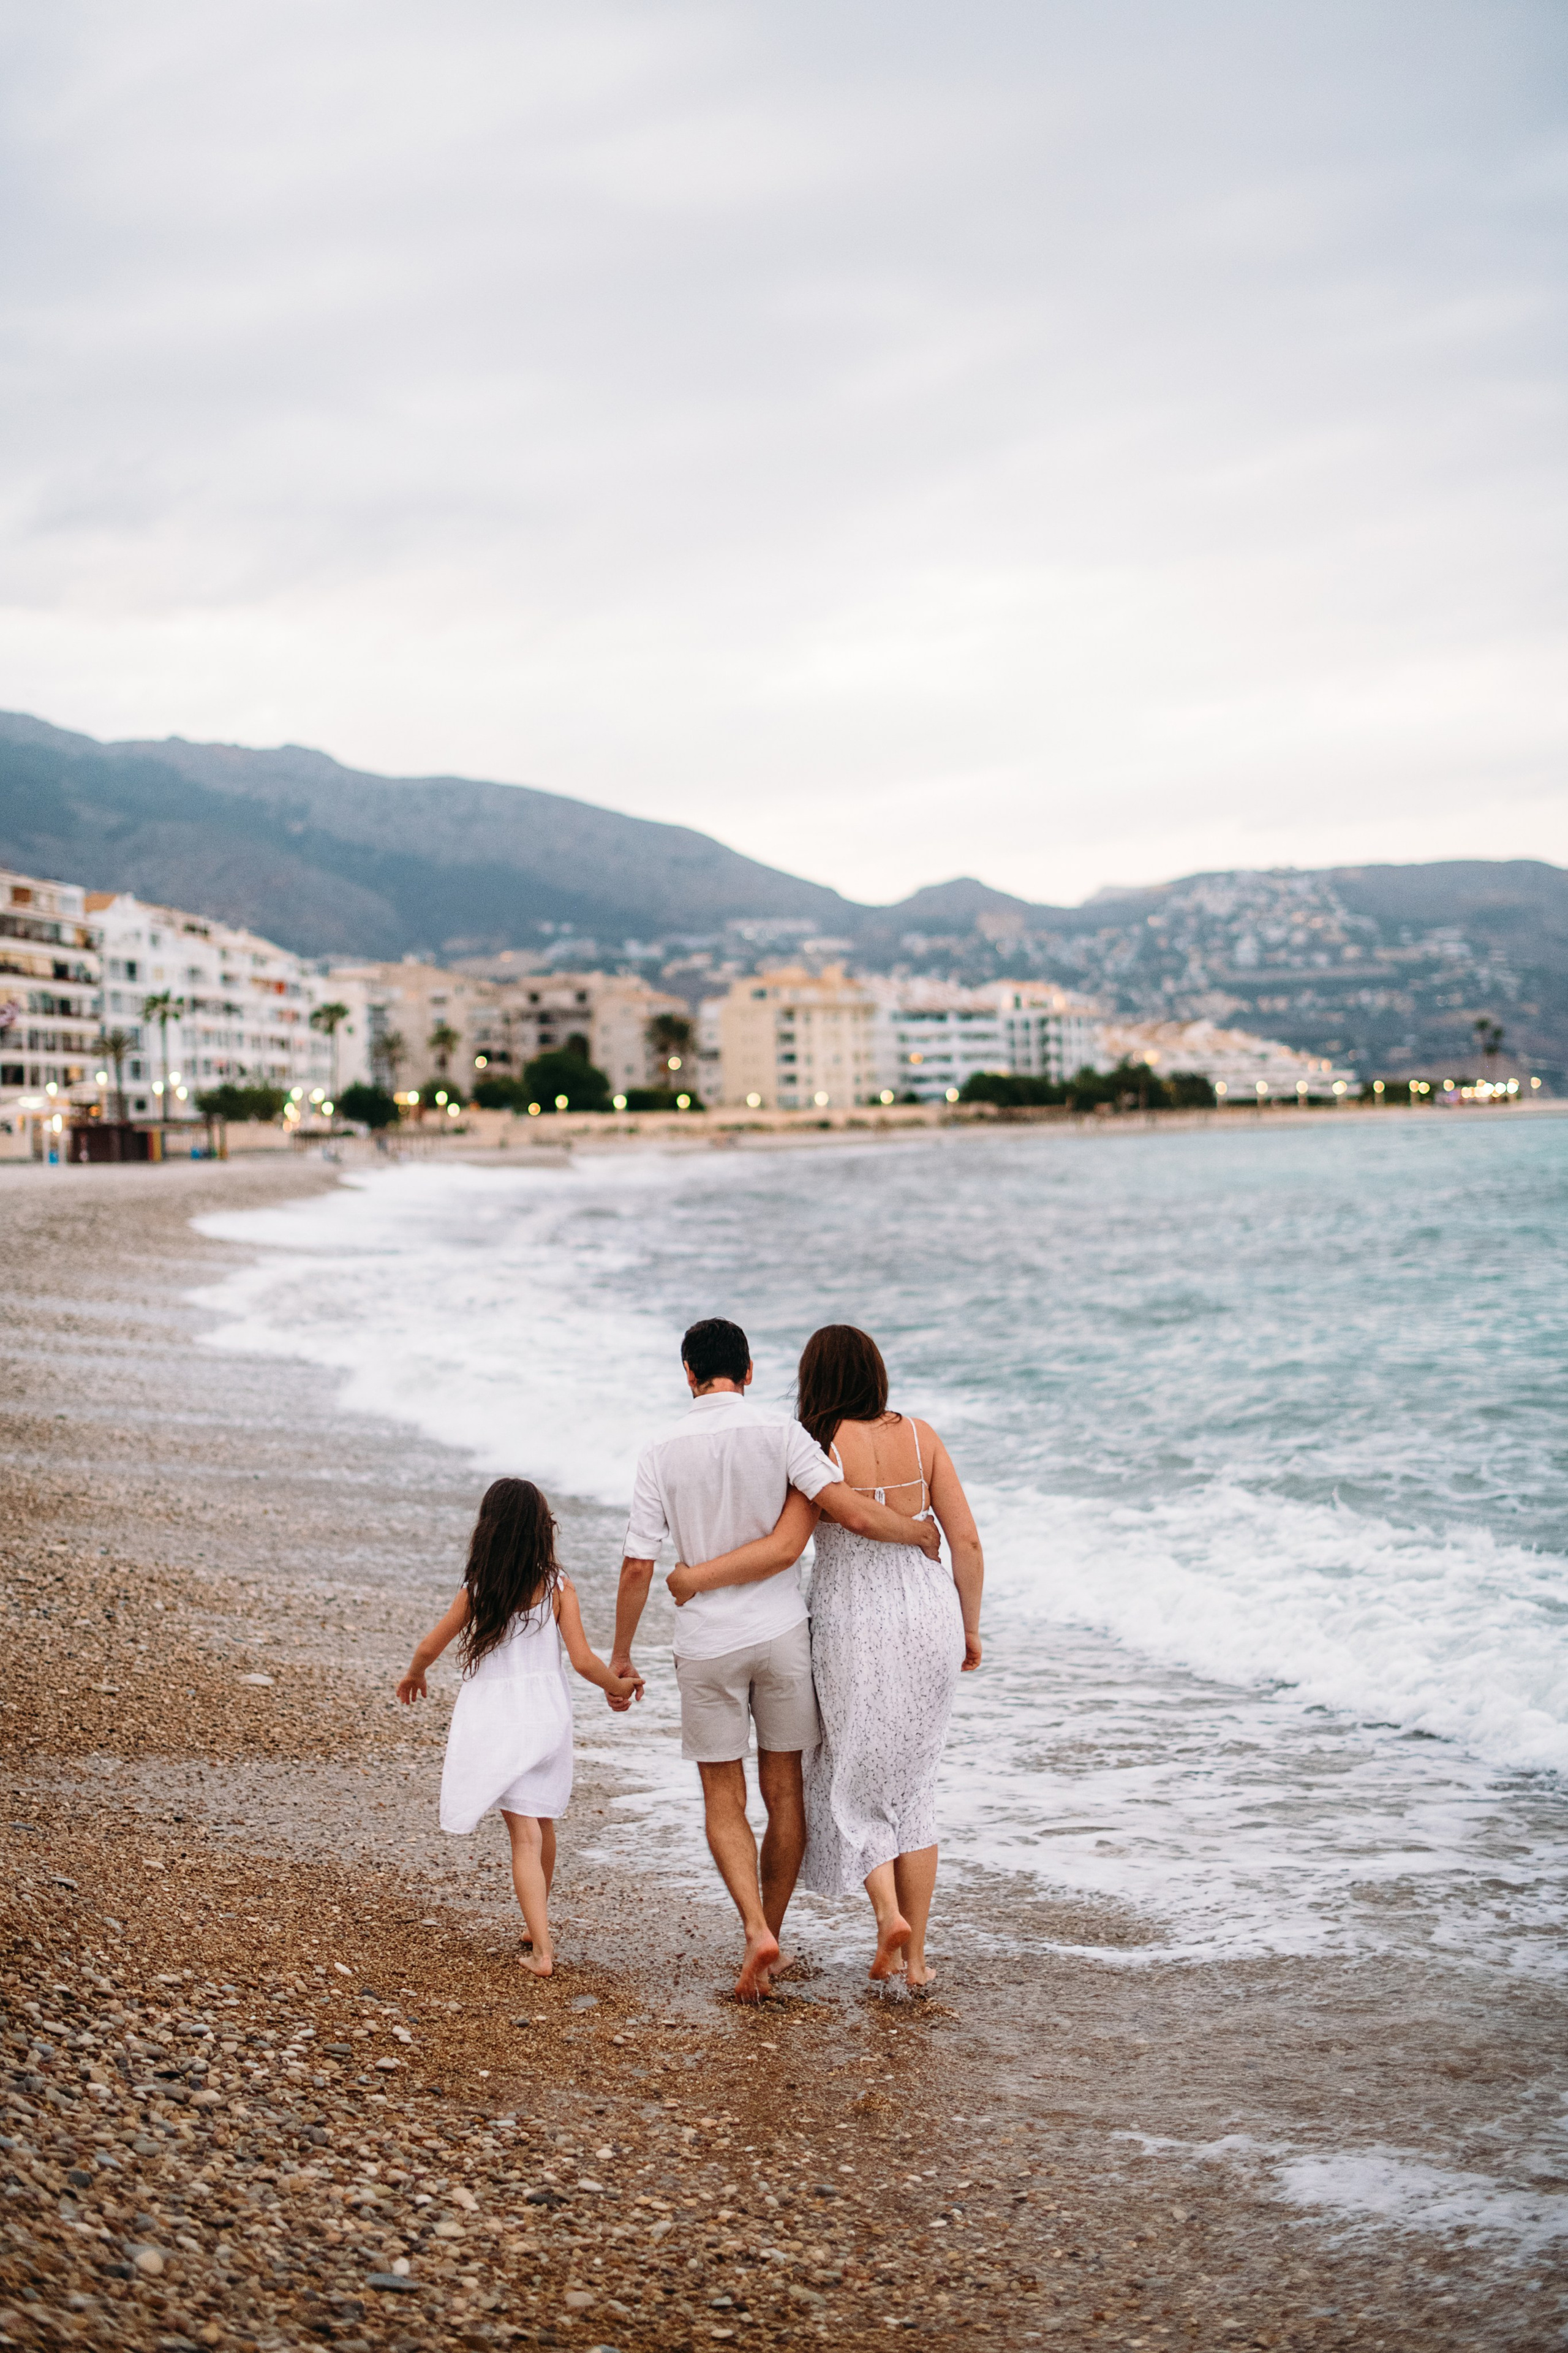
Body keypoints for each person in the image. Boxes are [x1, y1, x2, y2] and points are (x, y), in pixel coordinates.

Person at [610, 1316, 943, 2002]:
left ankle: (757, 1929)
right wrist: (916, 1531)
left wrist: (620, 1655)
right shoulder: (784, 1434)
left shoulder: (658, 1449)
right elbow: (847, 1508)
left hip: (706, 1644)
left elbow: (638, 1565)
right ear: (751, 1370)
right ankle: (774, 1933)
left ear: (687, 1372)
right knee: (785, 1792)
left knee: (723, 1798)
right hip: (783, 1633)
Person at [397, 1476, 643, 1976]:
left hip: (497, 1719)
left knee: (525, 1835)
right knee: (542, 1818)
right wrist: (616, 1686)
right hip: (547, 1714)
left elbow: (431, 1644)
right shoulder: (557, 1586)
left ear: (488, 1530)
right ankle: (536, 1924)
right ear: (540, 1529)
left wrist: (414, 1673)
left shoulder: (479, 1589)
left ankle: (543, 1952)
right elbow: (581, 1659)